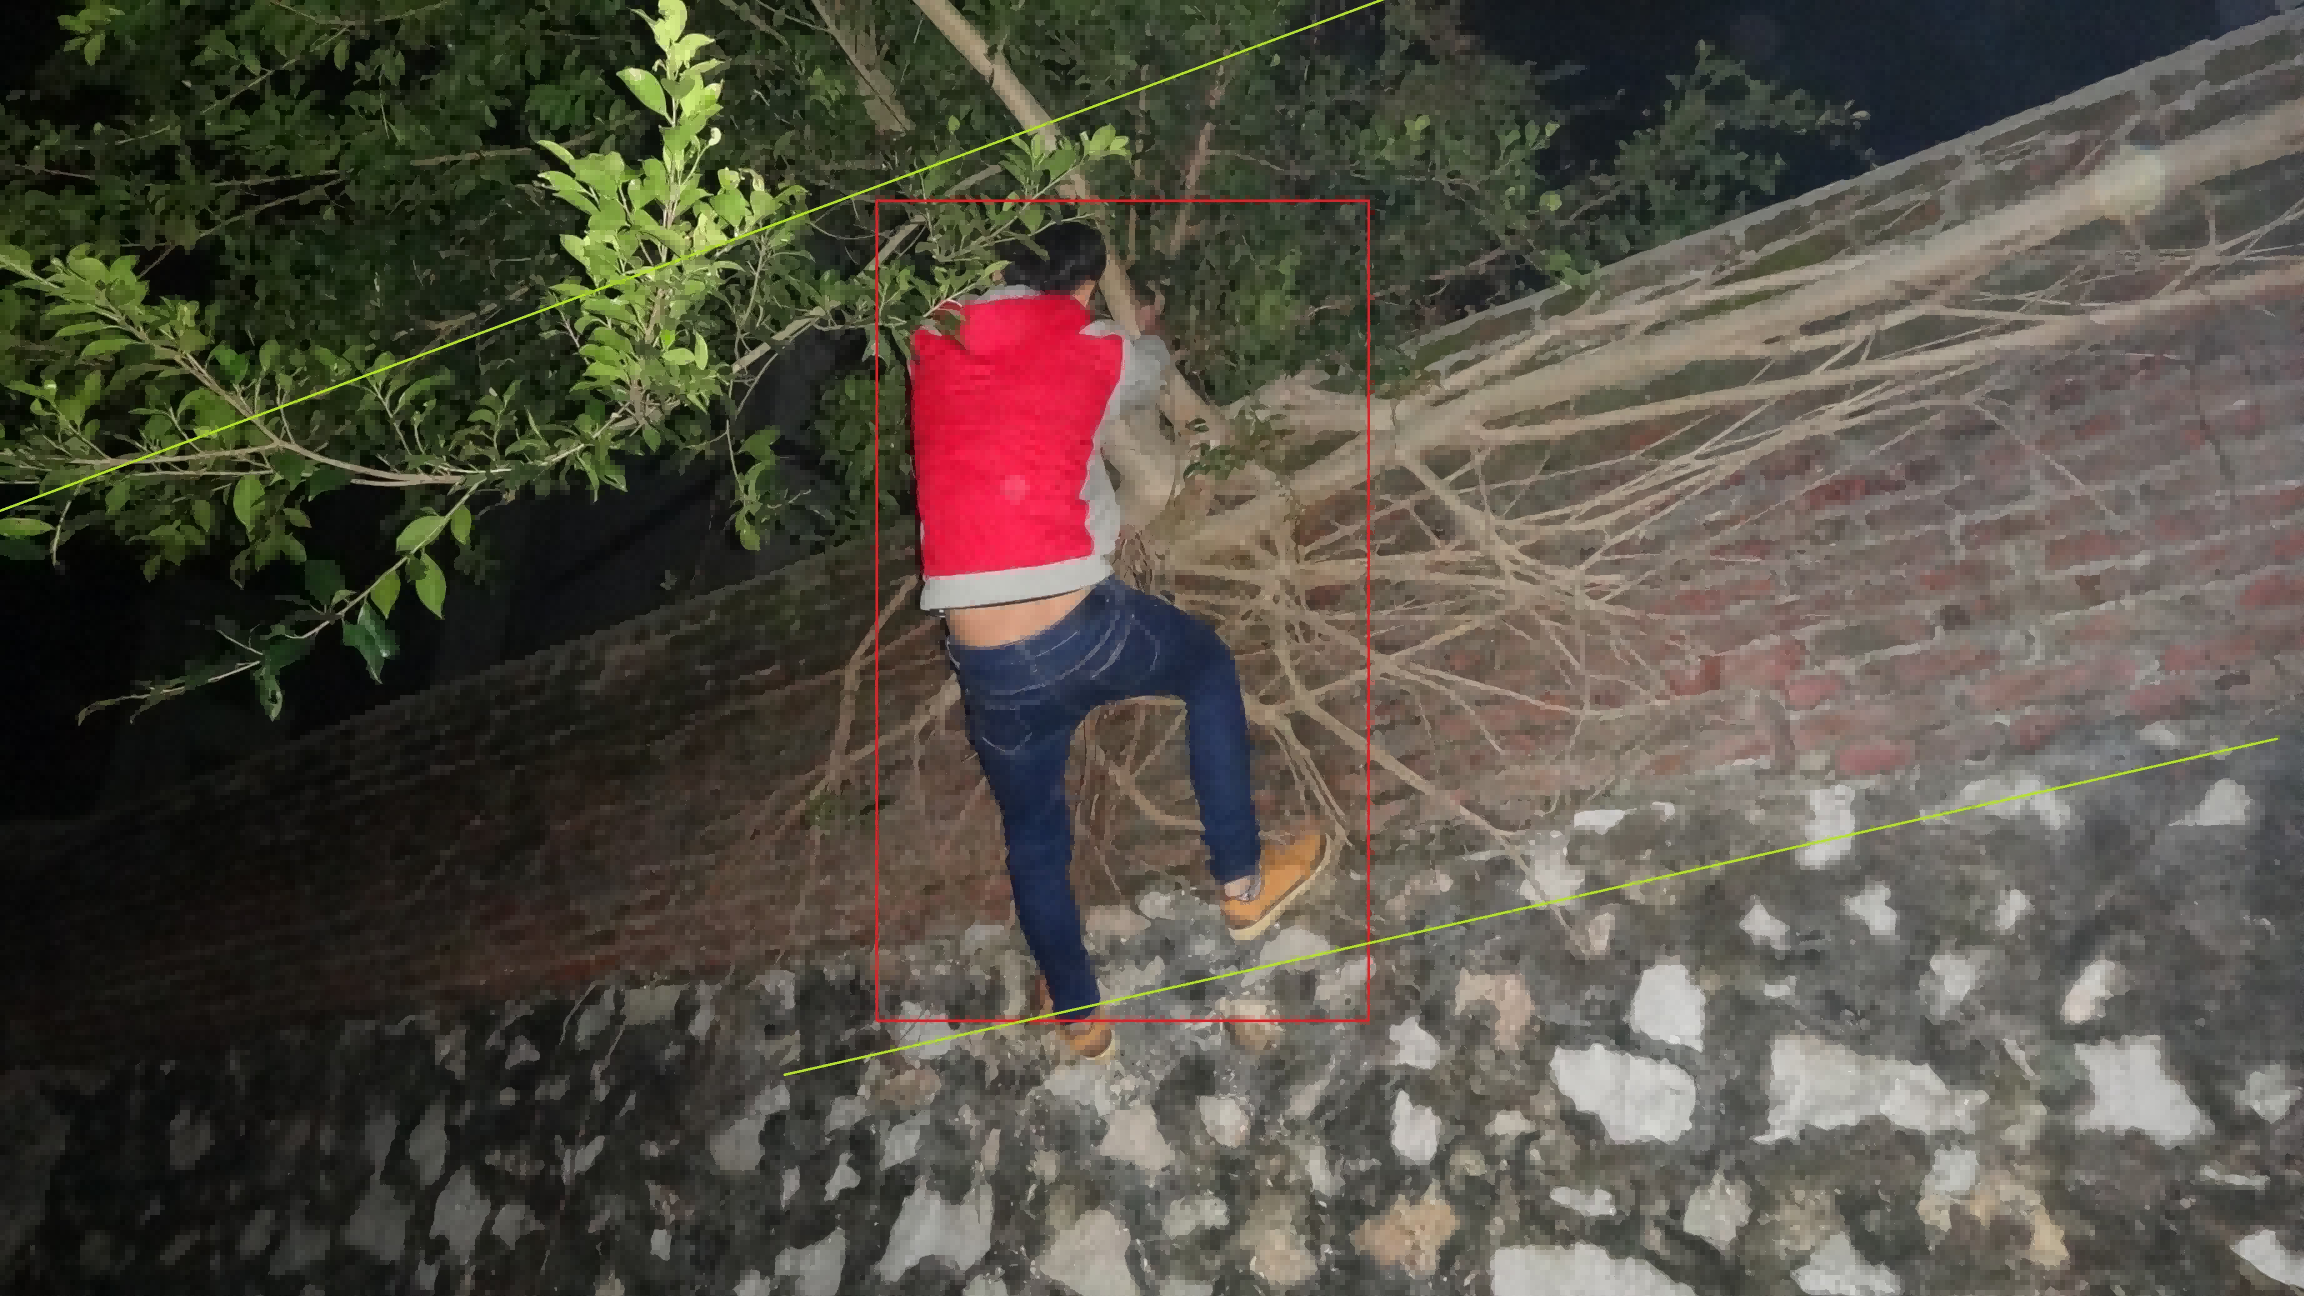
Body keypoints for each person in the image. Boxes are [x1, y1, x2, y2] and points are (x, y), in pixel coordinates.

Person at [907, 220, 1333, 1063]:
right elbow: (1148, 371)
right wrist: (1137, 329)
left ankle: (1079, 1015)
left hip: (986, 667)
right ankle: (1244, 883)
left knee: (1033, 836)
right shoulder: (1091, 344)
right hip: (1079, 628)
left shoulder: (931, 342)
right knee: (1206, 669)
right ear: (1077, 289)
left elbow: (1005, 412)